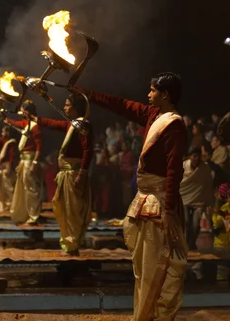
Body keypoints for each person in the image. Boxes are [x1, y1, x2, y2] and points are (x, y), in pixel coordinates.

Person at [72, 72, 188, 320]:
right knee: (143, 269)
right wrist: (88, 94)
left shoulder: (174, 125)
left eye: (152, 90)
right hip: (146, 200)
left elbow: (174, 170)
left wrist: (168, 211)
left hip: (159, 205)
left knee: (160, 269)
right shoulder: (152, 114)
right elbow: (121, 105)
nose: (148, 95)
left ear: (165, 95)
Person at [38, 94, 94, 255]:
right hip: (66, 175)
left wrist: (81, 174)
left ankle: (73, 245)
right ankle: (69, 244)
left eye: (68, 105)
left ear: (76, 108)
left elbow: (87, 150)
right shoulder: (72, 125)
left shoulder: (83, 126)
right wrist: (35, 119)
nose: (64, 108)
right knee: (64, 210)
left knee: (73, 212)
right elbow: (53, 123)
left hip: (74, 175)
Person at [5, 100, 43, 226]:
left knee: (31, 190)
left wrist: (34, 163)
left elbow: (39, 147)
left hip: (29, 161)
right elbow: (15, 123)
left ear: (26, 111)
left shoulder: (34, 126)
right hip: (24, 161)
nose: (20, 112)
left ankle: (33, 217)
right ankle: (25, 215)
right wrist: (4, 118)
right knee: (23, 189)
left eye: (22, 110)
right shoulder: (27, 124)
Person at [180, 147, 214, 250]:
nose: (196, 158)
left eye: (198, 156)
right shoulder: (183, 167)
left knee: (195, 225)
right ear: (190, 157)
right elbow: (178, 183)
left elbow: (208, 185)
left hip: (199, 201)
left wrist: (209, 201)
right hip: (184, 199)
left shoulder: (204, 168)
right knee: (185, 223)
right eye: (194, 156)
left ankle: (191, 244)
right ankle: (186, 246)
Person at [0, 126, 17, 213]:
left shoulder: (12, 143)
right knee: (3, 189)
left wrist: (9, 167)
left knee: (9, 188)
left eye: (3, 132)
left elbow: (12, 156)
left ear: (8, 132)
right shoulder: (6, 142)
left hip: (8, 168)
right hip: (3, 168)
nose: (2, 134)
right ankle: (6, 206)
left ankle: (12, 206)